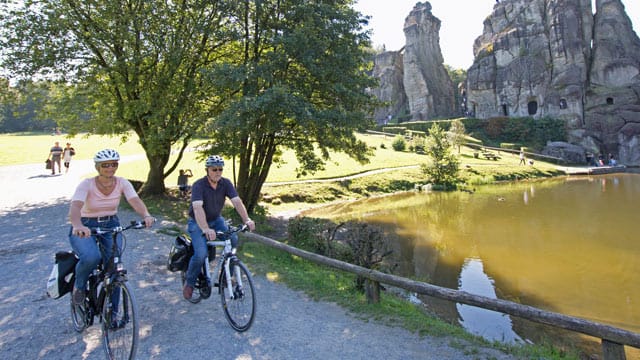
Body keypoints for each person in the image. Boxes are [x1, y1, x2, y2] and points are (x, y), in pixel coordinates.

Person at [68, 149, 155, 306]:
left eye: (113, 164)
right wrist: (78, 225)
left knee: (114, 268)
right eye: (105, 165)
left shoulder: (122, 182)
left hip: (111, 225)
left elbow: (134, 200)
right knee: (91, 258)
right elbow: (75, 207)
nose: (110, 168)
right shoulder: (86, 184)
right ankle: (79, 287)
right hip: (86, 225)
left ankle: (113, 315)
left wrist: (146, 215)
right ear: (98, 167)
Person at [183, 155, 255, 301]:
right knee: (201, 253)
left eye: (220, 169)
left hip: (216, 220)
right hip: (197, 223)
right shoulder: (199, 185)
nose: (217, 172)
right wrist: (205, 228)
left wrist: (246, 219)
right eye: (214, 169)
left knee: (233, 239)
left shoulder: (225, 183)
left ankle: (225, 277)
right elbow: (197, 208)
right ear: (207, 170)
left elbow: (237, 202)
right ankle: (189, 283)